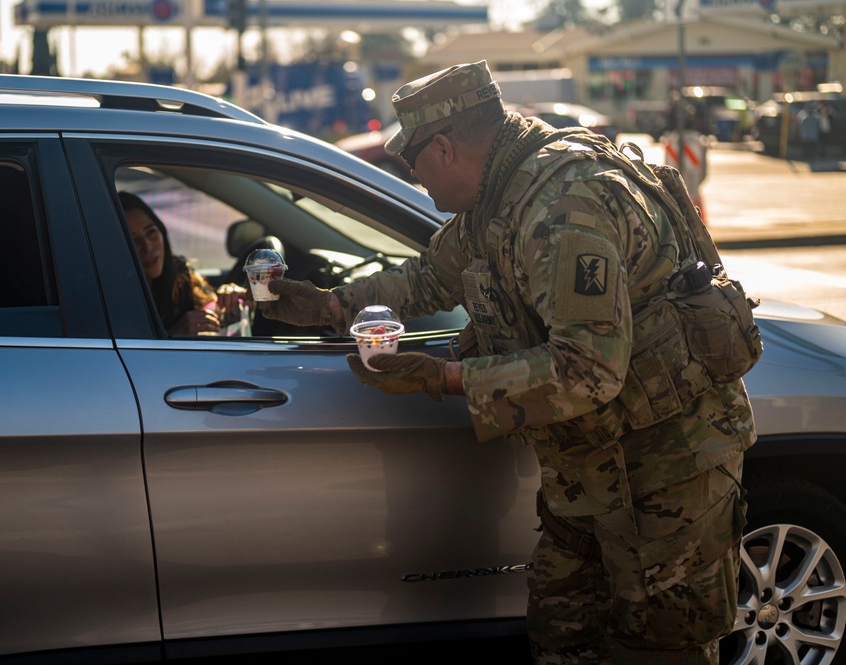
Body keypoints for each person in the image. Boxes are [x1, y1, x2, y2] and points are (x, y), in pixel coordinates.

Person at [260, 61, 755, 665]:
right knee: (563, 638)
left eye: (411, 165)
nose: (413, 181)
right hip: (591, 472)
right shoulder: (499, 196)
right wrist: (332, 306)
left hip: (666, 474)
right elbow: (429, 278)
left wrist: (443, 377)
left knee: (658, 652)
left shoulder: (564, 209)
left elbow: (586, 369)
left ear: (443, 147)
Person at [119, 191, 246, 336]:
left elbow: (214, 312)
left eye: (151, 232)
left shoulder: (180, 274)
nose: (147, 247)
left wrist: (230, 296)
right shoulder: (115, 301)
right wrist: (172, 335)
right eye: (132, 240)